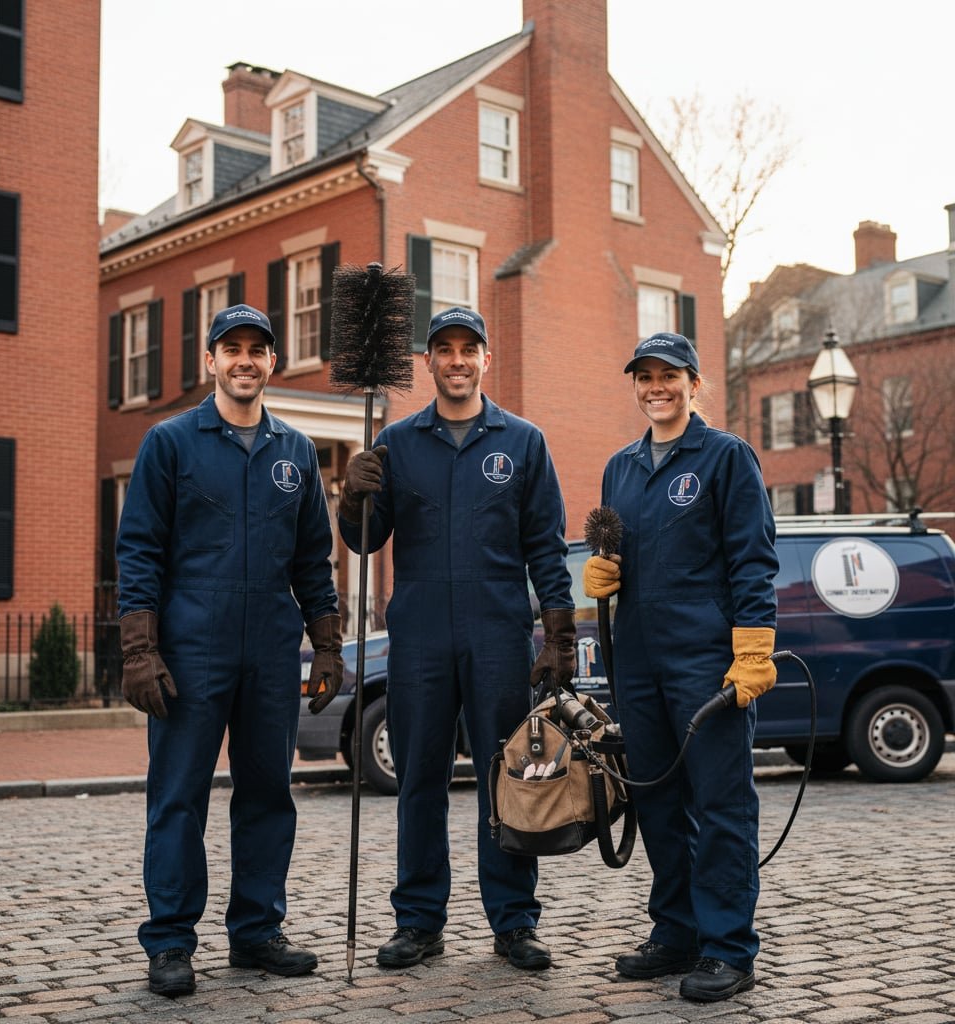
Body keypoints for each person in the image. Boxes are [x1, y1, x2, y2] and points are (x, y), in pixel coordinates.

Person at [116, 303, 344, 998]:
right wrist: (139, 649)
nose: (245, 359)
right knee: (178, 797)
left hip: (271, 649)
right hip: (191, 649)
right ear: (210, 360)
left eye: (256, 349)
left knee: (269, 793)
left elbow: (313, 560)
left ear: (273, 361)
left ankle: (256, 931)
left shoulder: (296, 451)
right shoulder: (169, 443)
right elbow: (139, 548)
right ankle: (170, 941)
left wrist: (326, 643)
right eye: (232, 348)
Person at [338, 307, 576, 972]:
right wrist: (352, 498)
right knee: (419, 777)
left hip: (498, 632)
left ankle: (515, 921)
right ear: (429, 362)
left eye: (469, 349)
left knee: (510, 777)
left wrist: (557, 635)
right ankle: (418, 921)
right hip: (418, 636)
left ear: (485, 359)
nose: (457, 360)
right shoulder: (397, 442)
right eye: (444, 349)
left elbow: (547, 548)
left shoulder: (523, 442)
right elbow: (363, 541)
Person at [583, 331, 778, 1003]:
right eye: (645, 376)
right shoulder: (621, 467)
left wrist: (753, 650)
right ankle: (676, 931)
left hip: (707, 660)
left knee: (721, 805)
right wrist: (603, 572)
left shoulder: (726, 457)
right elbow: (614, 547)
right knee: (658, 802)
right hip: (638, 660)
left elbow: (753, 559)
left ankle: (729, 948)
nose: (656, 387)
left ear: (695, 384)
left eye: (669, 375)